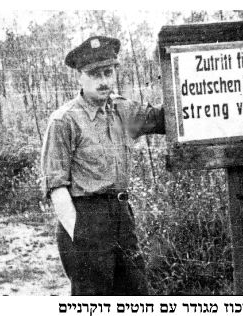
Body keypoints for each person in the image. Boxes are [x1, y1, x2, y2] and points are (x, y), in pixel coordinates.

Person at [40, 35, 164, 295]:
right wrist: (80, 236)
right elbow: (56, 187)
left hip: (122, 216)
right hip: (86, 217)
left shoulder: (123, 111)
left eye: (108, 72)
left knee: (136, 294)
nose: (104, 81)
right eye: (95, 74)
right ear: (80, 77)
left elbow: (164, 119)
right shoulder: (65, 120)